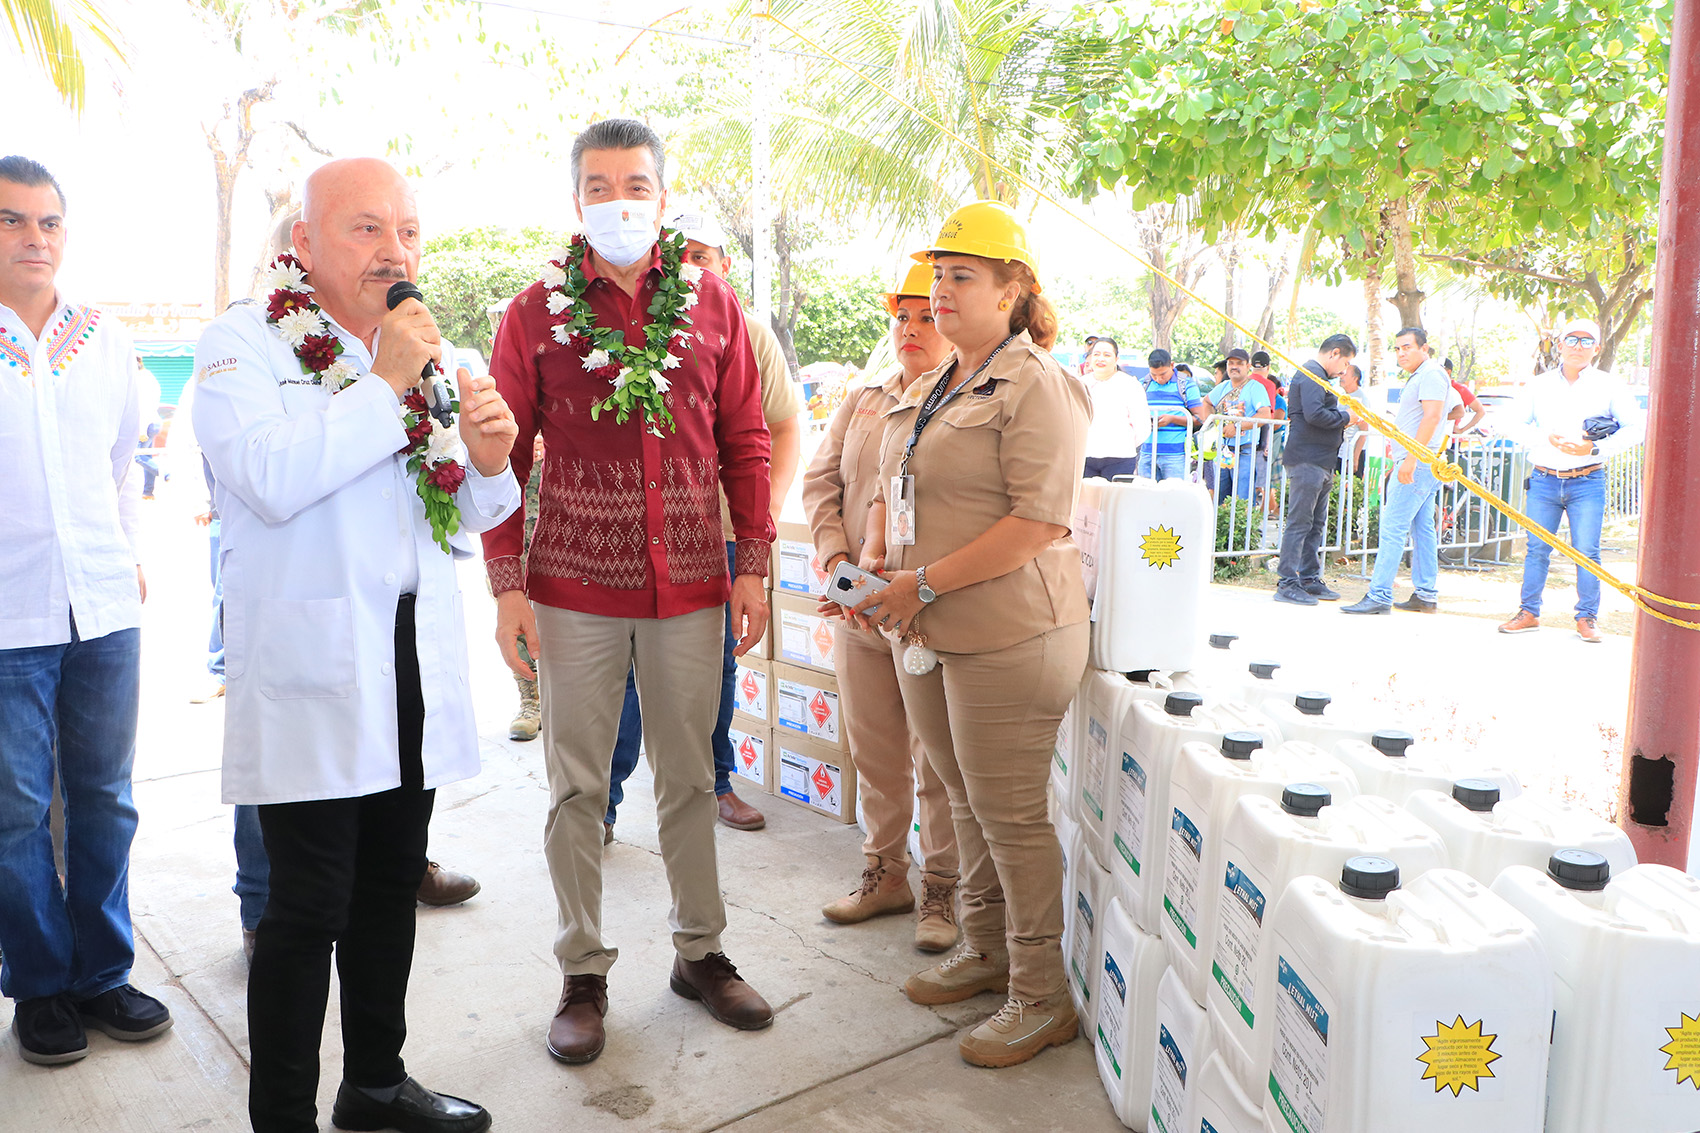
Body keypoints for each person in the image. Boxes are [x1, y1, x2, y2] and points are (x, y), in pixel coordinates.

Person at [194, 157, 517, 1133]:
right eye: (367, 228)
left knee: (387, 890)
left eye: (409, 231)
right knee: (303, 911)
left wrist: (493, 466)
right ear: (303, 243)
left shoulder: (427, 353)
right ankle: (283, 1114)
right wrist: (383, 380)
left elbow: (456, 513)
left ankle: (374, 1083)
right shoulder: (241, 345)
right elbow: (269, 476)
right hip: (314, 676)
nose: (396, 250)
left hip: (411, 665)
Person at [482, 119, 777, 1068]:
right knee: (576, 786)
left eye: (636, 184)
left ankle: (701, 952)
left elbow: (746, 441)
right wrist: (507, 586)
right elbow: (499, 461)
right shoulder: (532, 313)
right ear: (577, 201)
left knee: (690, 776)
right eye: (601, 185)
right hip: (571, 586)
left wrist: (753, 563)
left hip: (692, 580)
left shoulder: (715, 304)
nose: (620, 200)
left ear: (662, 193)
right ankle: (582, 971)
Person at [849, 200, 1091, 1069]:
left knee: (1012, 814)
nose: (941, 292)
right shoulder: (947, 378)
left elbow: (1039, 521)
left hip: (1010, 633)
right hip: (931, 624)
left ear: (1013, 288)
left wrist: (922, 583)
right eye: (937, 275)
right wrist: (883, 570)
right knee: (963, 794)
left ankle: (1040, 994)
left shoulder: (1037, 383)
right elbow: (899, 489)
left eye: (961, 277)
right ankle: (987, 950)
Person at [0, 155, 172, 1068]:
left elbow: (120, 466)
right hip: (5, 618)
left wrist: (127, 555)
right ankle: (39, 983)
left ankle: (103, 972)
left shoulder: (100, 337)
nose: (35, 237)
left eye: (49, 222)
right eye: (12, 220)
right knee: (16, 811)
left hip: (102, 606)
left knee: (105, 798)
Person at [600, 203, 803, 837]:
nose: (689, 267)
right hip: (628, 540)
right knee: (622, 677)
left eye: (702, 257)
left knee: (715, 669)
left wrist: (760, 518)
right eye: (678, 255)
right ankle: (601, 803)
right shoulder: (616, 325)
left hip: (715, 542)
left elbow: (781, 425)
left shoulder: (747, 330)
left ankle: (717, 785)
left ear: (725, 263)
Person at [801, 261, 961, 953]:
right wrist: (838, 565)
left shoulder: (965, 398)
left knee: (937, 758)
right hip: (858, 606)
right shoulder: (865, 396)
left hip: (925, 605)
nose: (912, 329)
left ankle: (943, 889)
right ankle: (885, 871)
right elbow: (819, 478)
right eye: (903, 316)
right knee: (874, 747)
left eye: (927, 316)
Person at [1496, 318, 1645, 642]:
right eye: (1571, 339)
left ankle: (1587, 618)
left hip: (1587, 480)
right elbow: (1511, 424)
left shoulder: (1610, 385)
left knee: (1587, 551)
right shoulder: (1539, 385)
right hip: (1544, 479)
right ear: (1559, 344)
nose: (1578, 346)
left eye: (1586, 340)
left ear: (1597, 347)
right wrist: (1543, 437)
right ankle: (1529, 612)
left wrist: (1594, 448)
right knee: (1536, 549)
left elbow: (1636, 428)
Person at [1342, 327, 1450, 615]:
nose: (1401, 353)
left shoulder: (1431, 374)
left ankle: (1379, 595)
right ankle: (1426, 594)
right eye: (1398, 348)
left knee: (1392, 528)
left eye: (1407, 347)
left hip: (1419, 462)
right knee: (1422, 528)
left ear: (1424, 348)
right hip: (1419, 460)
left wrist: (1411, 459)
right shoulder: (1423, 375)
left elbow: (1434, 416)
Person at [1274, 334, 1357, 605]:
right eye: (1345, 362)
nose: (1344, 370)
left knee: (1315, 524)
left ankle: (1309, 577)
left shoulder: (1321, 377)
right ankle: (1287, 582)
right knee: (1299, 523)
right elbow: (1314, 414)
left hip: (1322, 460)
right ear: (1334, 353)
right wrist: (1346, 418)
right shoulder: (1311, 374)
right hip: (1306, 459)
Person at [1206, 348, 1272, 500]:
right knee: (1219, 498)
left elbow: (1264, 414)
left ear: (1248, 366)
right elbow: (1206, 403)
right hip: (1222, 451)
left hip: (1245, 452)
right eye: (1231, 363)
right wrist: (1213, 424)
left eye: (1239, 363)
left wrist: (1237, 426)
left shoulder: (1255, 387)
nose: (1234, 366)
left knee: (1242, 500)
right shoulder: (1222, 387)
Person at [1080, 335, 1149, 480]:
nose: (1101, 359)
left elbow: (1142, 426)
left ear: (1116, 359)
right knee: (1087, 502)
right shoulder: (1080, 384)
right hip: (1086, 456)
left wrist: (1125, 442)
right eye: (1096, 354)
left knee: (1116, 501)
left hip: (1120, 457)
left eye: (1107, 355)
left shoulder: (1129, 384)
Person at [1138, 347, 1207, 481]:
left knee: (1174, 496)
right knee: (1145, 497)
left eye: (1163, 374)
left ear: (1171, 365)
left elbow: (1200, 418)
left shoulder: (1186, 385)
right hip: (1147, 452)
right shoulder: (1142, 384)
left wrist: (1173, 419)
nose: (1158, 379)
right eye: (1154, 375)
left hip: (1176, 455)